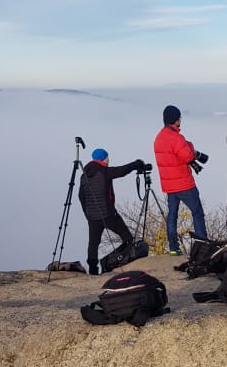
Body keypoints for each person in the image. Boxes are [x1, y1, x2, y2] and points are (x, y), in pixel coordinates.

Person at [78, 148, 146, 275]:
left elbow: (81, 196)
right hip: (108, 214)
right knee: (128, 238)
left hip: (92, 217)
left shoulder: (84, 175)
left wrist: (87, 213)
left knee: (93, 243)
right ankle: (121, 261)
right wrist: (135, 164)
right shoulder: (104, 171)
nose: (108, 160)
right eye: (107, 158)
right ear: (104, 159)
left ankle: (93, 270)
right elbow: (121, 171)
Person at [153, 105, 208, 254]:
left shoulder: (158, 138)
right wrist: (189, 145)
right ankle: (202, 245)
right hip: (184, 184)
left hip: (169, 185)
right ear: (176, 120)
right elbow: (188, 156)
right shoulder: (176, 138)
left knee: (172, 216)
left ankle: (173, 248)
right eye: (179, 118)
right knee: (197, 212)